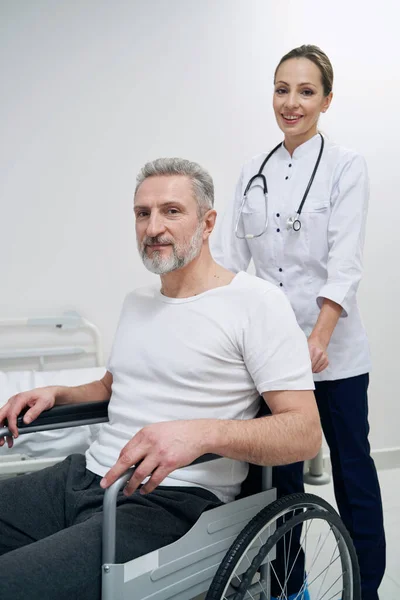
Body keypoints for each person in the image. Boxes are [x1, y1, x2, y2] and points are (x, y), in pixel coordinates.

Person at [0, 158, 320, 600]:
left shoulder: (256, 304)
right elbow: (115, 388)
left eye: (172, 211)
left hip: (171, 502)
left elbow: (305, 434)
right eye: (142, 213)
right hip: (87, 478)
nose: (153, 227)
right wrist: (59, 393)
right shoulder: (138, 302)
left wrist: (200, 433)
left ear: (208, 222)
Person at [211, 45, 386, 600]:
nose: (291, 102)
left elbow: (345, 263)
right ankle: (289, 586)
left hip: (332, 350)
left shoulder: (346, 166)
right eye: (282, 89)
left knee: (351, 472)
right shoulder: (252, 171)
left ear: (326, 100)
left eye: (306, 91)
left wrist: (318, 338)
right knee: (277, 480)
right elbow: (233, 261)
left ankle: (366, 588)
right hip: (270, 354)